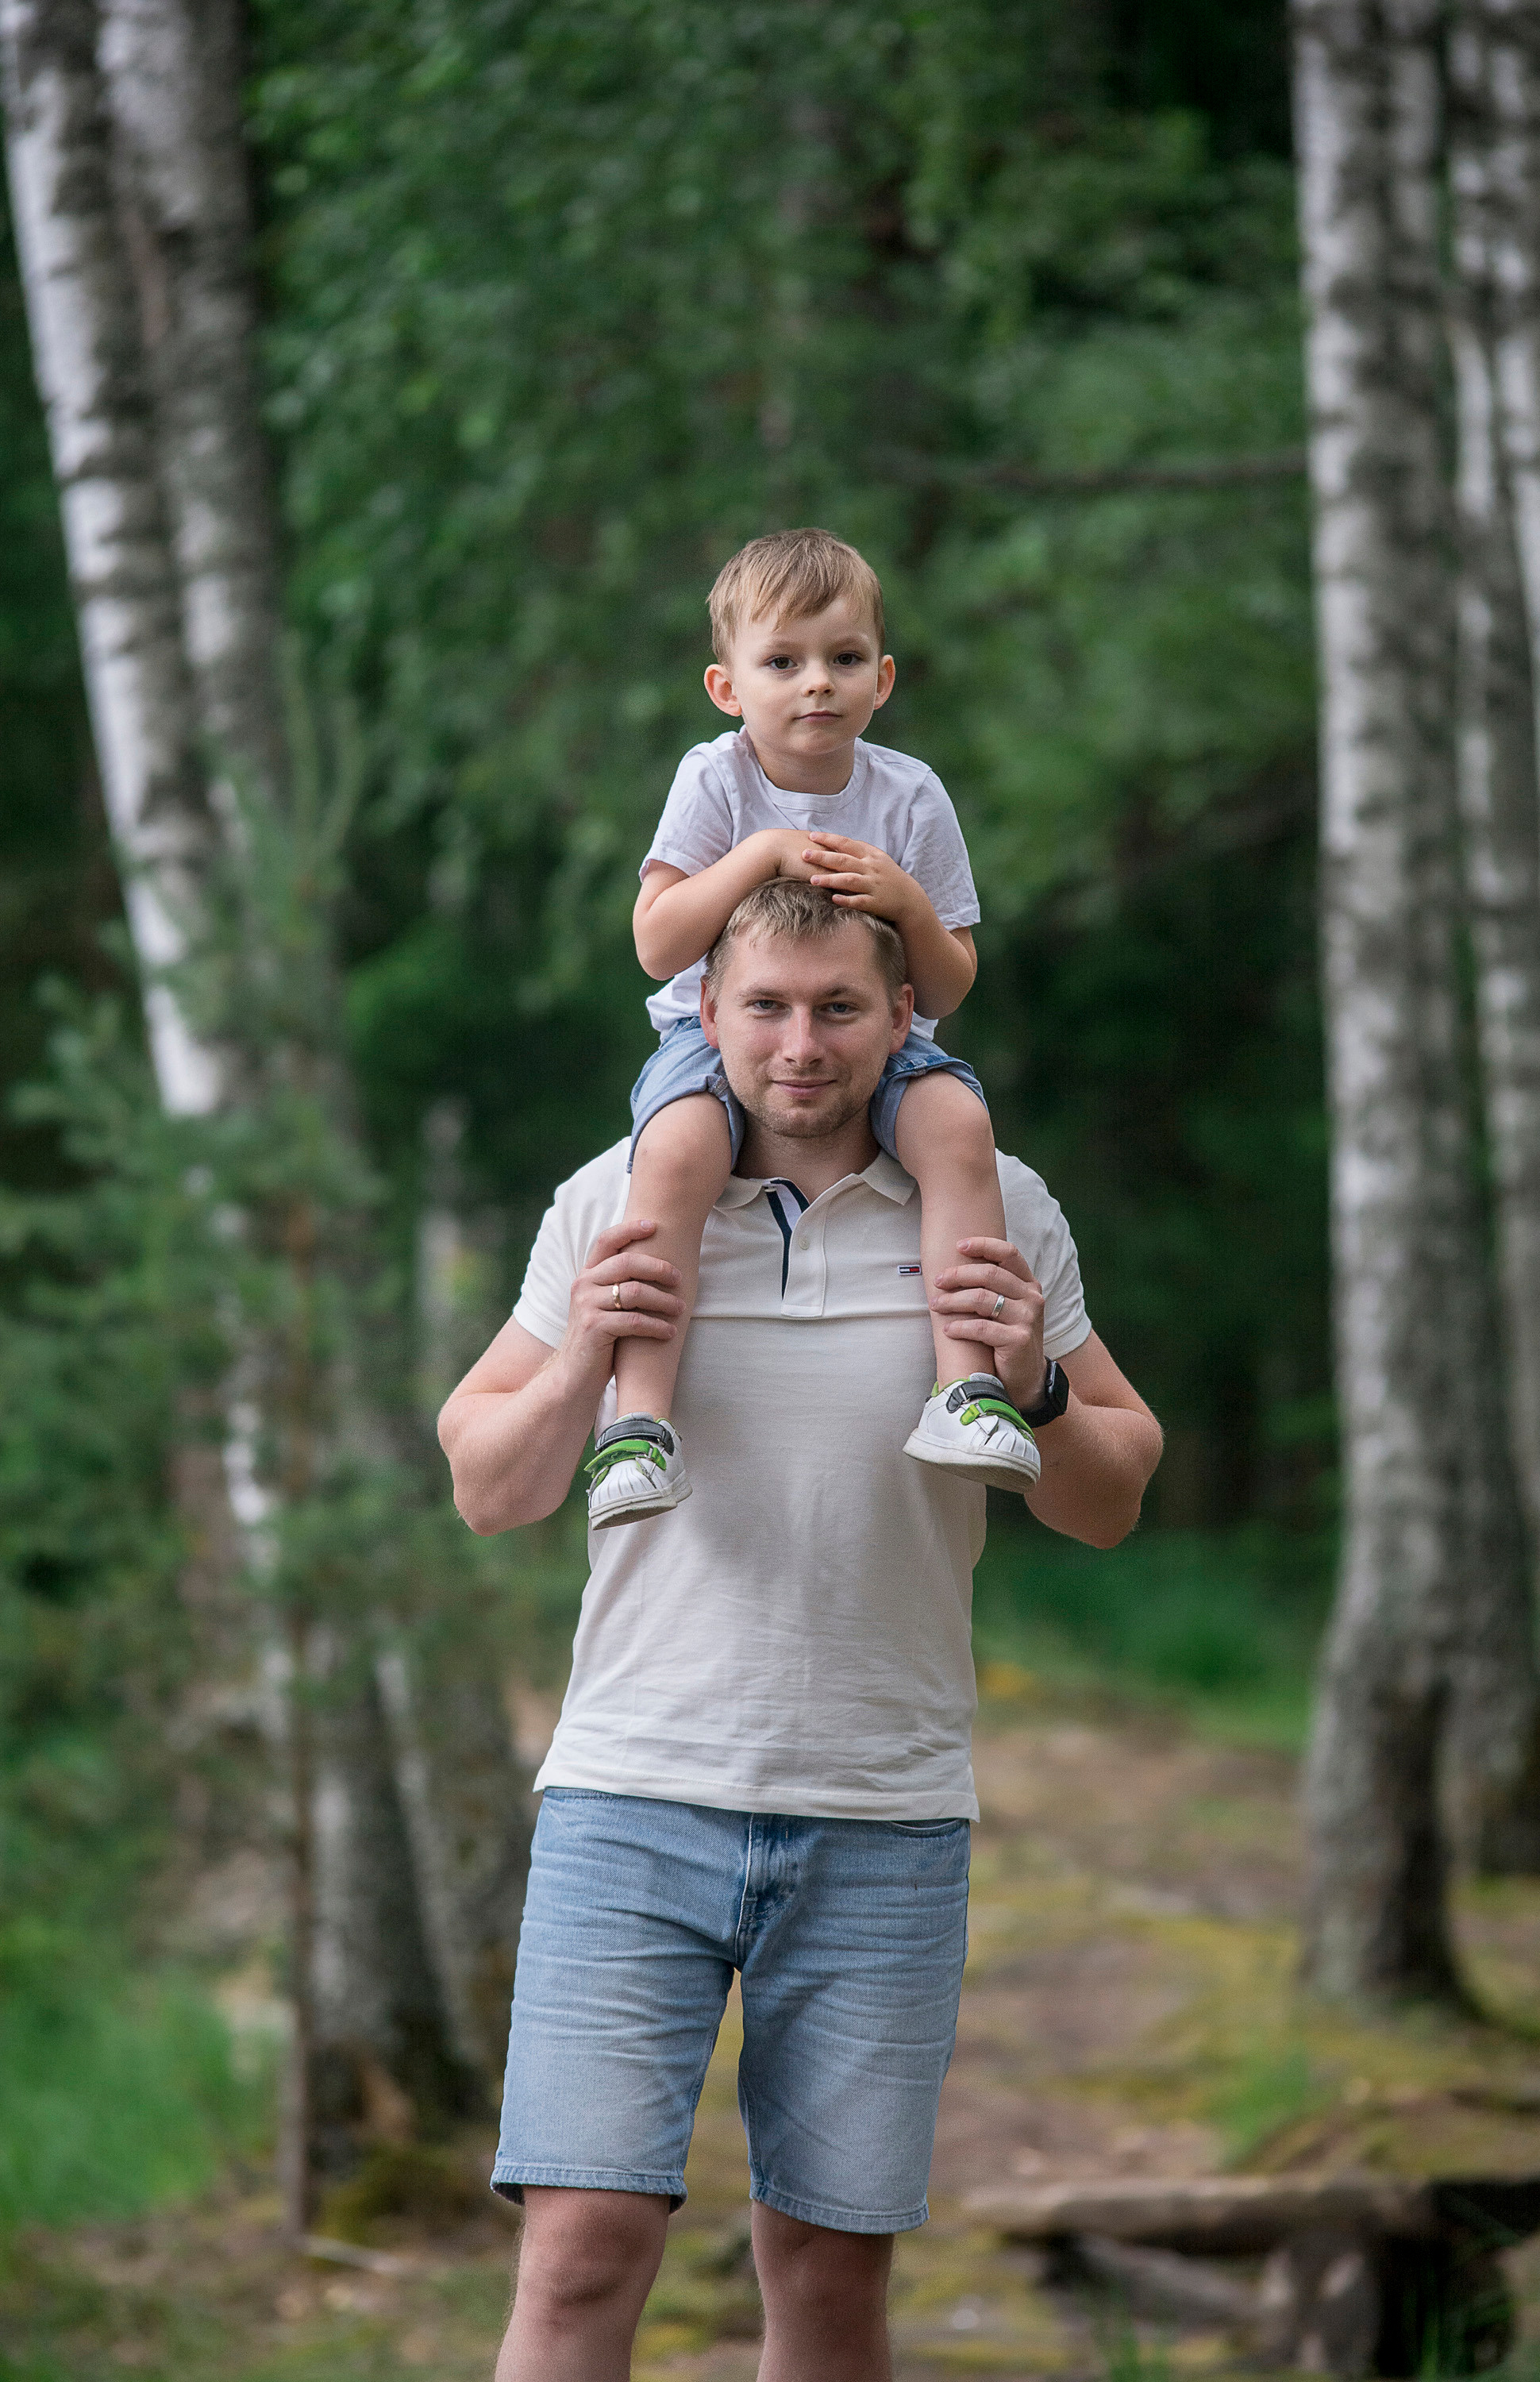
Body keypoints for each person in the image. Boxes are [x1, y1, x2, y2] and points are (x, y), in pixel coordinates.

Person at [438, 879, 1161, 2382]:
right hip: (632, 1800)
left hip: (882, 1816)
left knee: (827, 2277)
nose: (802, 1043)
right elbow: (486, 1482)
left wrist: (1031, 1385)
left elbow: (1113, 1491)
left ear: (906, 1019)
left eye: (840, 1008)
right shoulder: (621, 1196)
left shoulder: (997, 1206)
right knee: (578, 2258)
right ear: (705, 1017)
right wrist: (585, 1360)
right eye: (765, 1007)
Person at [591, 525, 1037, 1529]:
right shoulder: (714, 781)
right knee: (673, 1152)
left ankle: (964, 1390)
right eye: (782, 662)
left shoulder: (909, 794)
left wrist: (907, 905)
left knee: (958, 1130)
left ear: (882, 678)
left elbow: (949, 982)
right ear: (726, 686)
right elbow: (658, 946)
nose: (815, 686)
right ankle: (638, 1427)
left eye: (842, 661)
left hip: (876, 1038)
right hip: (715, 1047)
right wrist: (761, 856)